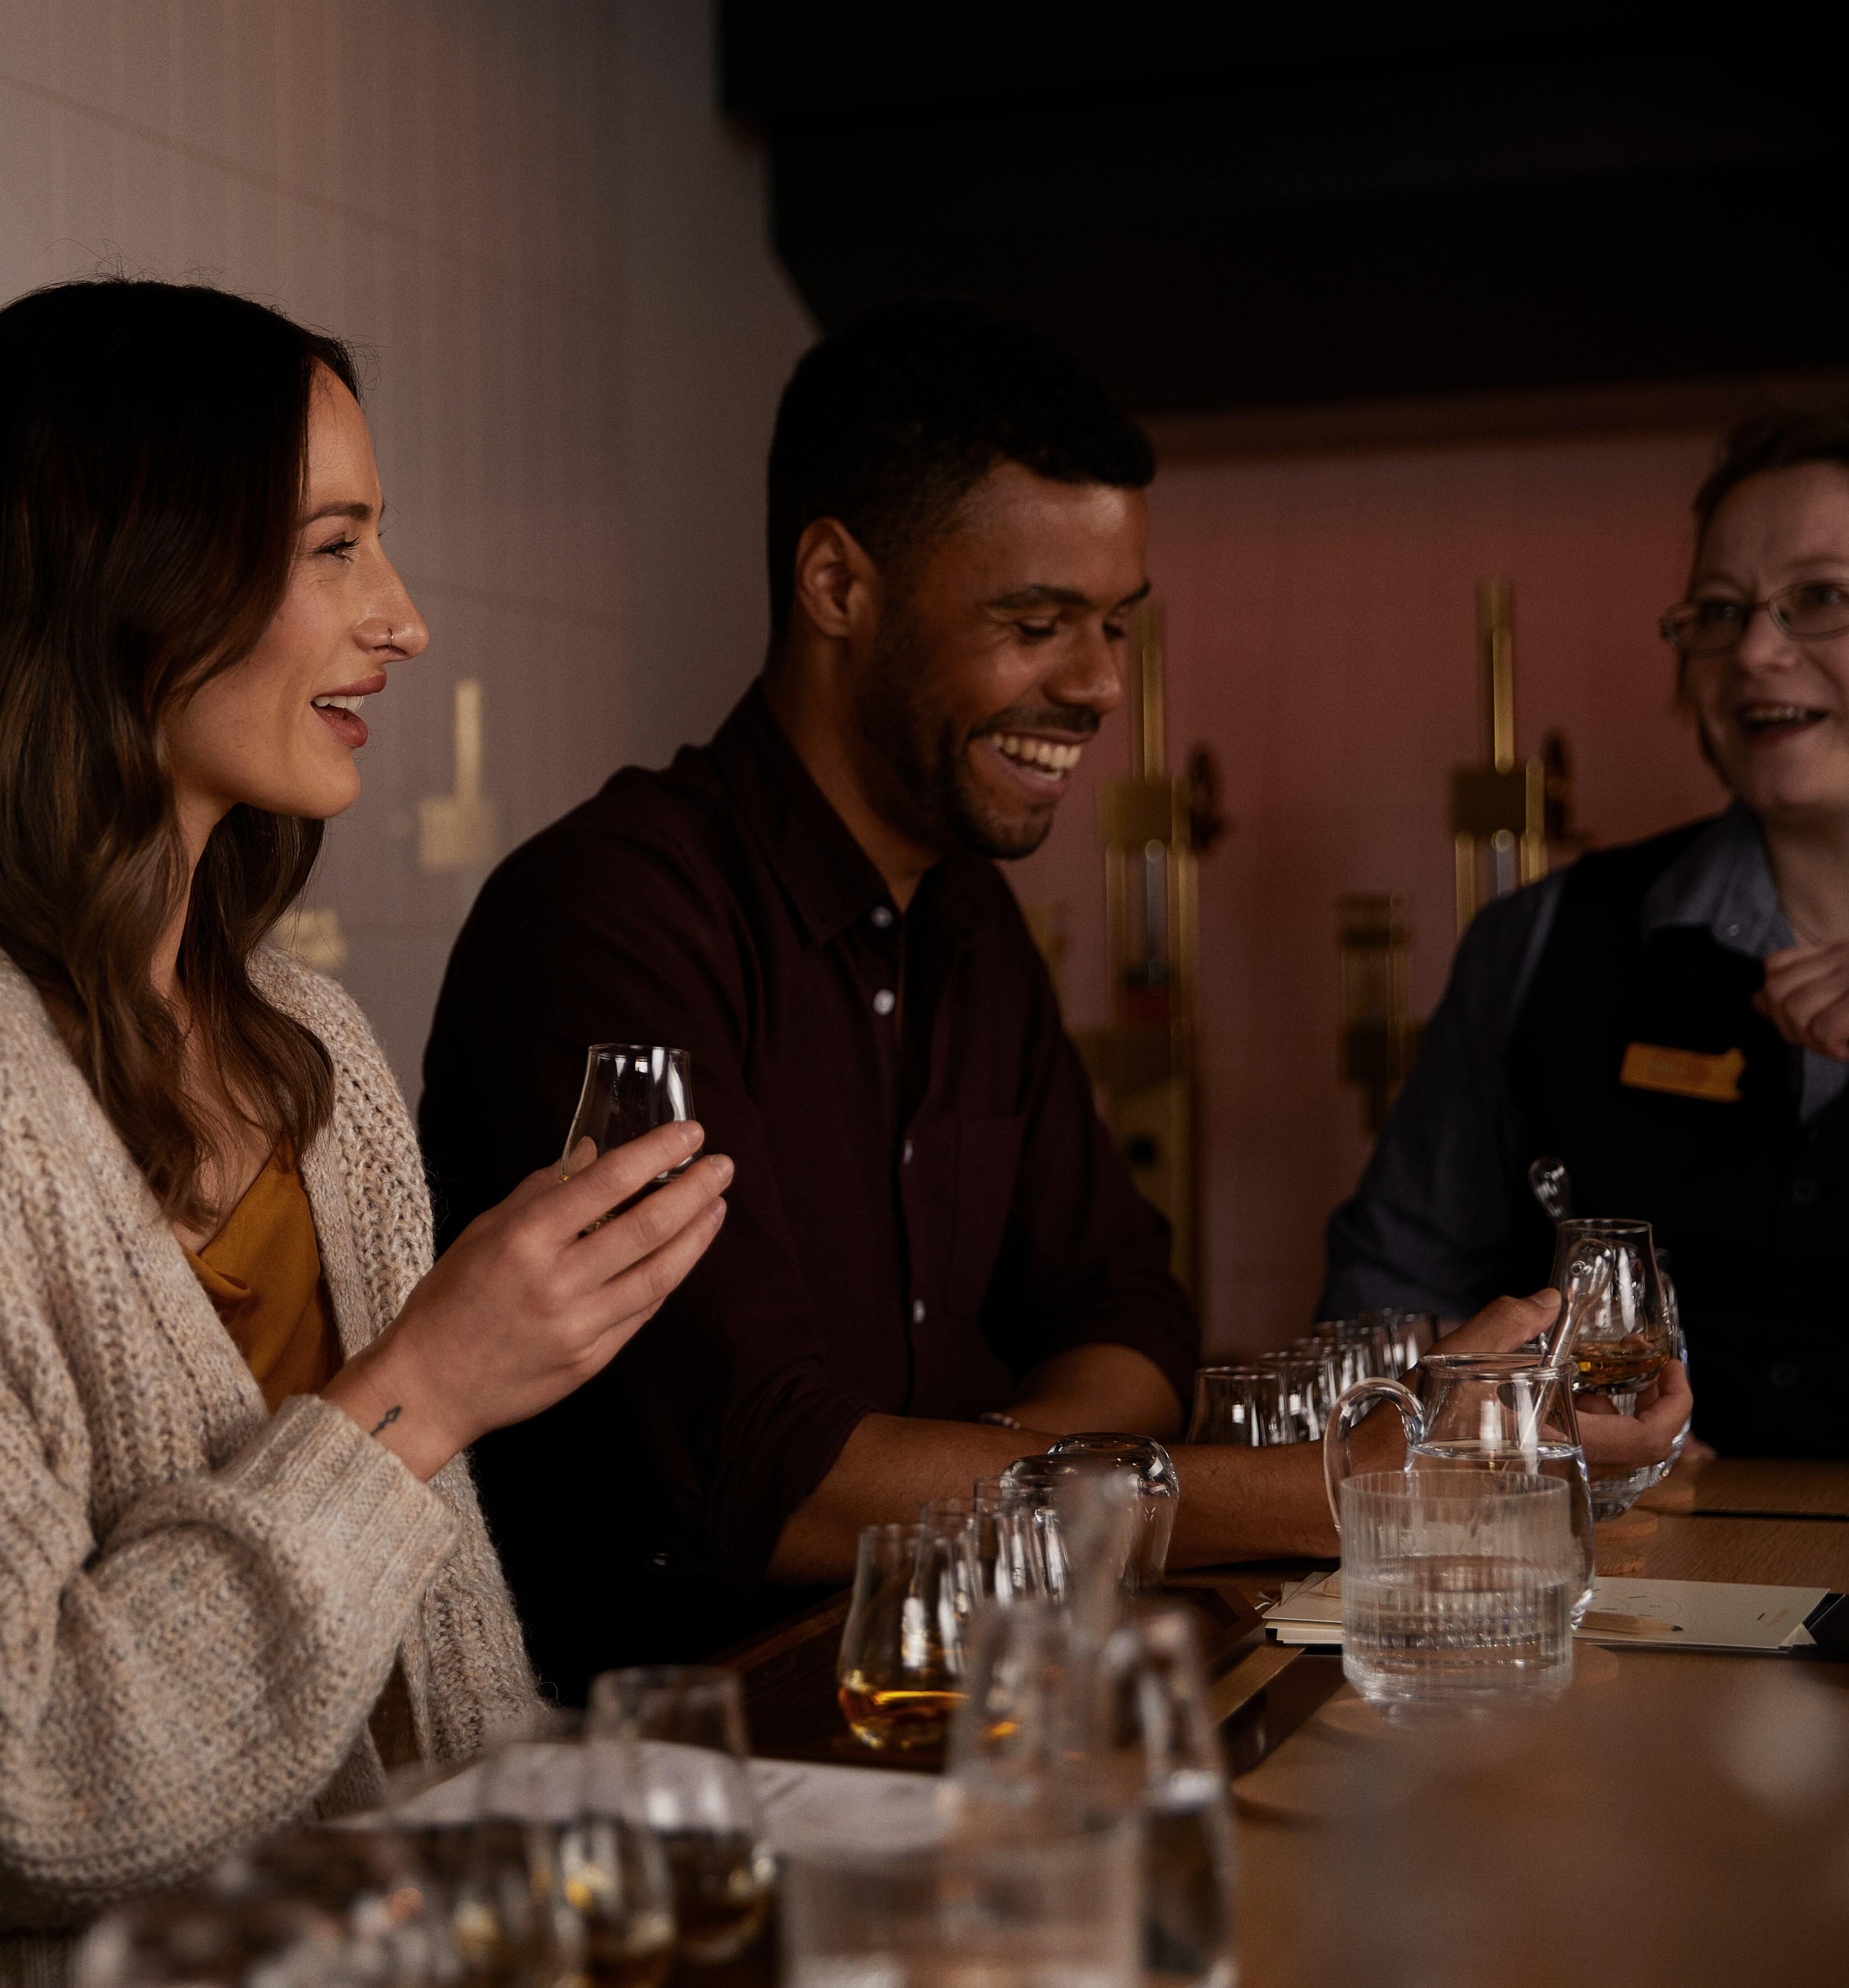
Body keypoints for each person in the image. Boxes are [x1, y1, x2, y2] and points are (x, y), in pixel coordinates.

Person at [0, 279, 732, 1988]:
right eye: (333, 546)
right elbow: (4, 1781)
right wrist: (430, 1383)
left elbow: (442, 1674)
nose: (401, 618)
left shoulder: (310, 1040)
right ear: (124, 575)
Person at [416, 300, 1691, 1694]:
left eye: (1111, 626)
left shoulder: (964, 921)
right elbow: (772, 1481)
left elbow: (1129, 1322)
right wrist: (1355, 1479)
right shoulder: (610, 917)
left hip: (974, 1701)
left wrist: (985, 1481)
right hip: (676, 1766)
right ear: (837, 585)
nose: (1093, 684)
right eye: (1035, 623)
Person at [1324, 412, 1849, 1457]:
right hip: (1628, 1602)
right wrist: (1516, 1418)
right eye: (1718, 610)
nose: (1754, 649)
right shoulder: (1539, 939)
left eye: (1823, 599)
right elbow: (1381, 1309)